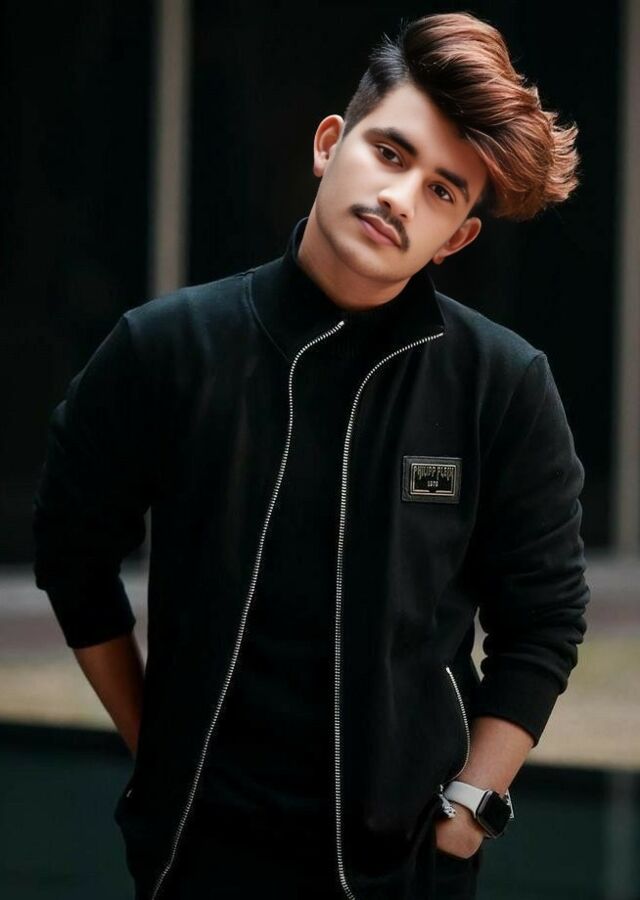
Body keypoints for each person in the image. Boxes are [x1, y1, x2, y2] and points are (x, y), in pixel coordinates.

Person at [32, 10, 590, 900]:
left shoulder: (503, 384)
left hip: (406, 869)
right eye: (391, 153)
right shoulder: (166, 348)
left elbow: (545, 622)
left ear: (457, 237)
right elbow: (72, 550)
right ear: (332, 144)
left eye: (443, 192)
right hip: (197, 861)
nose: (400, 198)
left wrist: (466, 812)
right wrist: (158, 749)